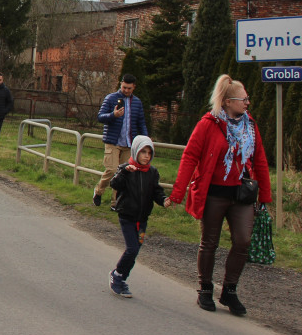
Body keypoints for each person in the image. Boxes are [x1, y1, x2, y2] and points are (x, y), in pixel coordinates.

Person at [169, 74, 272, 316]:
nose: (247, 103)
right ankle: (205, 289)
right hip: (214, 193)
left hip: (242, 195)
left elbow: (260, 161)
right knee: (210, 243)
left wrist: (264, 197)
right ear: (226, 101)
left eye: (248, 99)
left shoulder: (251, 126)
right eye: (243, 99)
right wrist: (177, 192)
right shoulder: (208, 123)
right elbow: (190, 156)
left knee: (243, 241)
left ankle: (229, 290)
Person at [108, 135, 171, 298]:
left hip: (142, 219)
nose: (146, 156)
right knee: (132, 248)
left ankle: (121, 278)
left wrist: (164, 200)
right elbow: (115, 184)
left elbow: (156, 191)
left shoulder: (152, 172)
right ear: (136, 151)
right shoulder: (126, 168)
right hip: (127, 216)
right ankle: (117, 276)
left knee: (134, 252)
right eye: (143, 152)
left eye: (149, 153)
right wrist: (124, 172)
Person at [93, 74, 148, 210]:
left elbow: (141, 122)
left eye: (129, 88)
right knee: (111, 170)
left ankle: (115, 203)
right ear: (121, 84)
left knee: (123, 174)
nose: (126, 90)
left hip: (129, 143)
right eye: (124, 87)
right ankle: (98, 191)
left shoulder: (137, 102)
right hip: (113, 141)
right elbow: (100, 117)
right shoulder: (111, 98)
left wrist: (145, 139)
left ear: (134, 87)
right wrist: (113, 115)